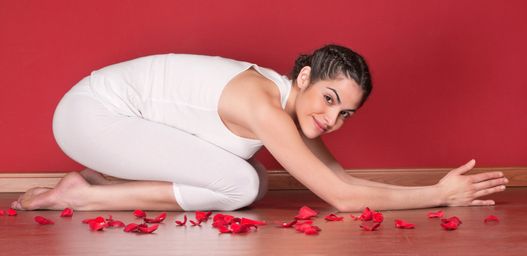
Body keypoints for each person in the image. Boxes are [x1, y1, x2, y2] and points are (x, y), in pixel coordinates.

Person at [11, 44, 508, 212]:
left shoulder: (286, 106)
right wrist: (439, 197)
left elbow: (344, 182)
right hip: (92, 116)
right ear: (306, 77)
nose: (331, 120)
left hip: (113, 121)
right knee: (242, 183)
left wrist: (434, 186)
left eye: (345, 114)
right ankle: (83, 197)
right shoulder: (266, 107)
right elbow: (341, 198)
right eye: (329, 100)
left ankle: (97, 185)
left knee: (257, 180)